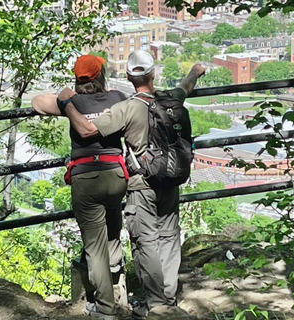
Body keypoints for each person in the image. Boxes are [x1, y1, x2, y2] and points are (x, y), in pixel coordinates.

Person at [57, 50, 205, 319]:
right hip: (171, 178)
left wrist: (67, 103)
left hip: (142, 182)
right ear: (153, 74)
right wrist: (195, 71)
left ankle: (156, 303)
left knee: (145, 241)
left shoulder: (127, 107)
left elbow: (88, 130)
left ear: (128, 76)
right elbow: (185, 86)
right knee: (170, 237)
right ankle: (168, 298)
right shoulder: (170, 98)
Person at [31, 55, 128, 320]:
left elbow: (37, 103)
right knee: (112, 230)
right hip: (116, 175)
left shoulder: (73, 102)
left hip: (87, 179)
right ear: (101, 76)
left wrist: (65, 95)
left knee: (94, 248)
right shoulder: (118, 98)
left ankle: (105, 308)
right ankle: (120, 284)